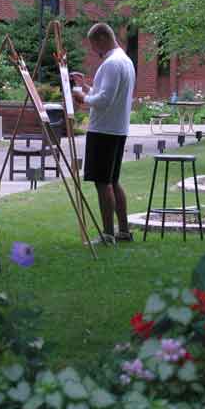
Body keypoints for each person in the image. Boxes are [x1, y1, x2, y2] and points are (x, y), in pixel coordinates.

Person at [72, 22, 135, 244]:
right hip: (117, 129)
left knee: (102, 183)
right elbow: (109, 94)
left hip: (103, 130)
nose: (93, 50)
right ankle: (123, 230)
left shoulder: (111, 63)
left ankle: (108, 234)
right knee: (113, 180)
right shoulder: (125, 60)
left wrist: (83, 98)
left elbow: (105, 100)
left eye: (93, 45)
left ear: (101, 39)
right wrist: (87, 88)